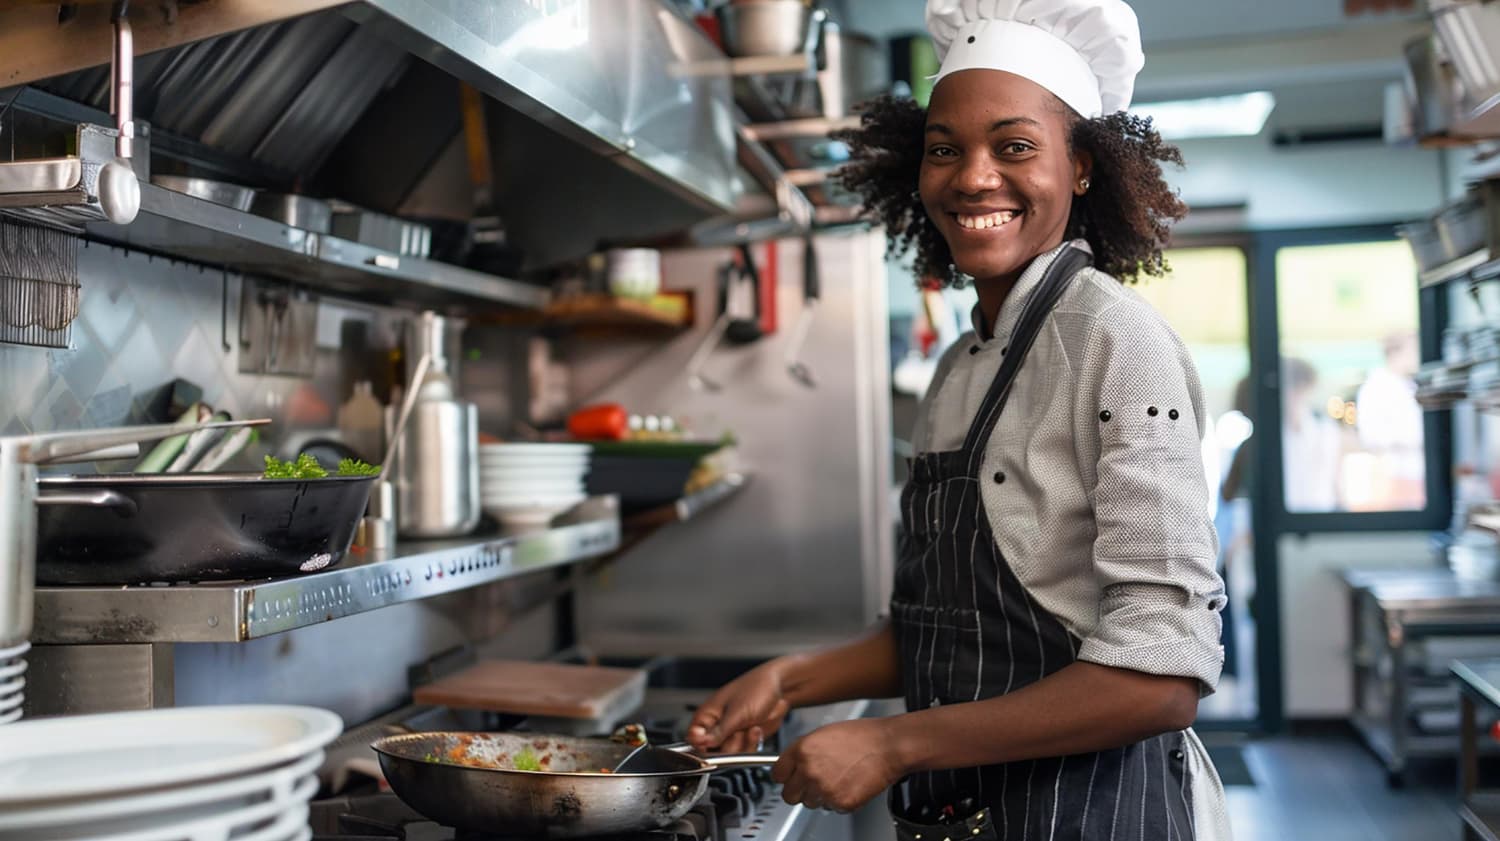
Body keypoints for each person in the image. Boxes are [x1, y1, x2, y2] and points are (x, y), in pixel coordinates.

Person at [686, 2, 1232, 838]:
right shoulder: (961, 364)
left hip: (1092, 813)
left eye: (1014, 147)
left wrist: (894, 742)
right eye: (945, 150)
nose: (973, 177)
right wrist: (788, 679)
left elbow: (1161, 679)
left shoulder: (1117, 343)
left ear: (1082, 166)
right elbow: (946, 632)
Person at [1280, 358, 1343, 512]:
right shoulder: (1272, 432)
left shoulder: (1324, 428)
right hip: (1287, 515)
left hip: (1320, 513)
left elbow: (1335, 477)